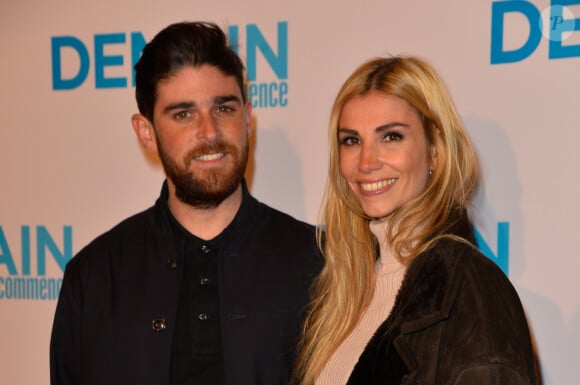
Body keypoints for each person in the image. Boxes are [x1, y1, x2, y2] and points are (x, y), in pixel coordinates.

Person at [50, 21, 321, 385]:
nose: (209, 132)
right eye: (183, 114)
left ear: (247, 117)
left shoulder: (321, 265)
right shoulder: (94, 277)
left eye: (223, 108)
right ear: (146, 132)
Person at [293, 56, 537, 385]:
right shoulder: (340, 294)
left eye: (390, 137)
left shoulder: (471, 290)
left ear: (435, 150)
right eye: (352, 140)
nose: (366, 162)